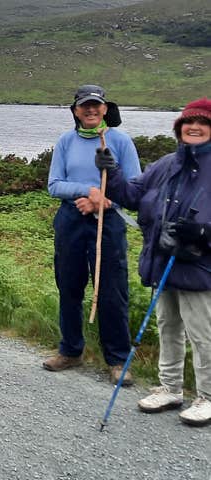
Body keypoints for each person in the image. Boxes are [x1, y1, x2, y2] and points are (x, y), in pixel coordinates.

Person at [96, 97, 211, 426]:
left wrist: (202, 231)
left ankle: (208, 396)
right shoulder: (167, 164)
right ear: (179, 129)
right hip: (165, 259)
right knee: (168, 326)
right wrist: (111, 173)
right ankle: (171, 388)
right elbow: (133, 195)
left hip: (200, 264)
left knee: (203, 333)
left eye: (202, 123)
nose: (194, 127)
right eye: (188, 123)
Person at [44, 84, 141, 384]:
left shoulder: (121, 141)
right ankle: (71, 350)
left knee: (113, 290)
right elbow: (54, 184)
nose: (90, 110)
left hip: (108, 222)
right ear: (75, 110)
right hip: (71, 219)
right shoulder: (65, 141)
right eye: (84, 105)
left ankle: (117, 359)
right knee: (69, 285)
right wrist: (89, 191)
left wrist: (105, 200)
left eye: (96, 105)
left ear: (105, 109)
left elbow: (136, 188)